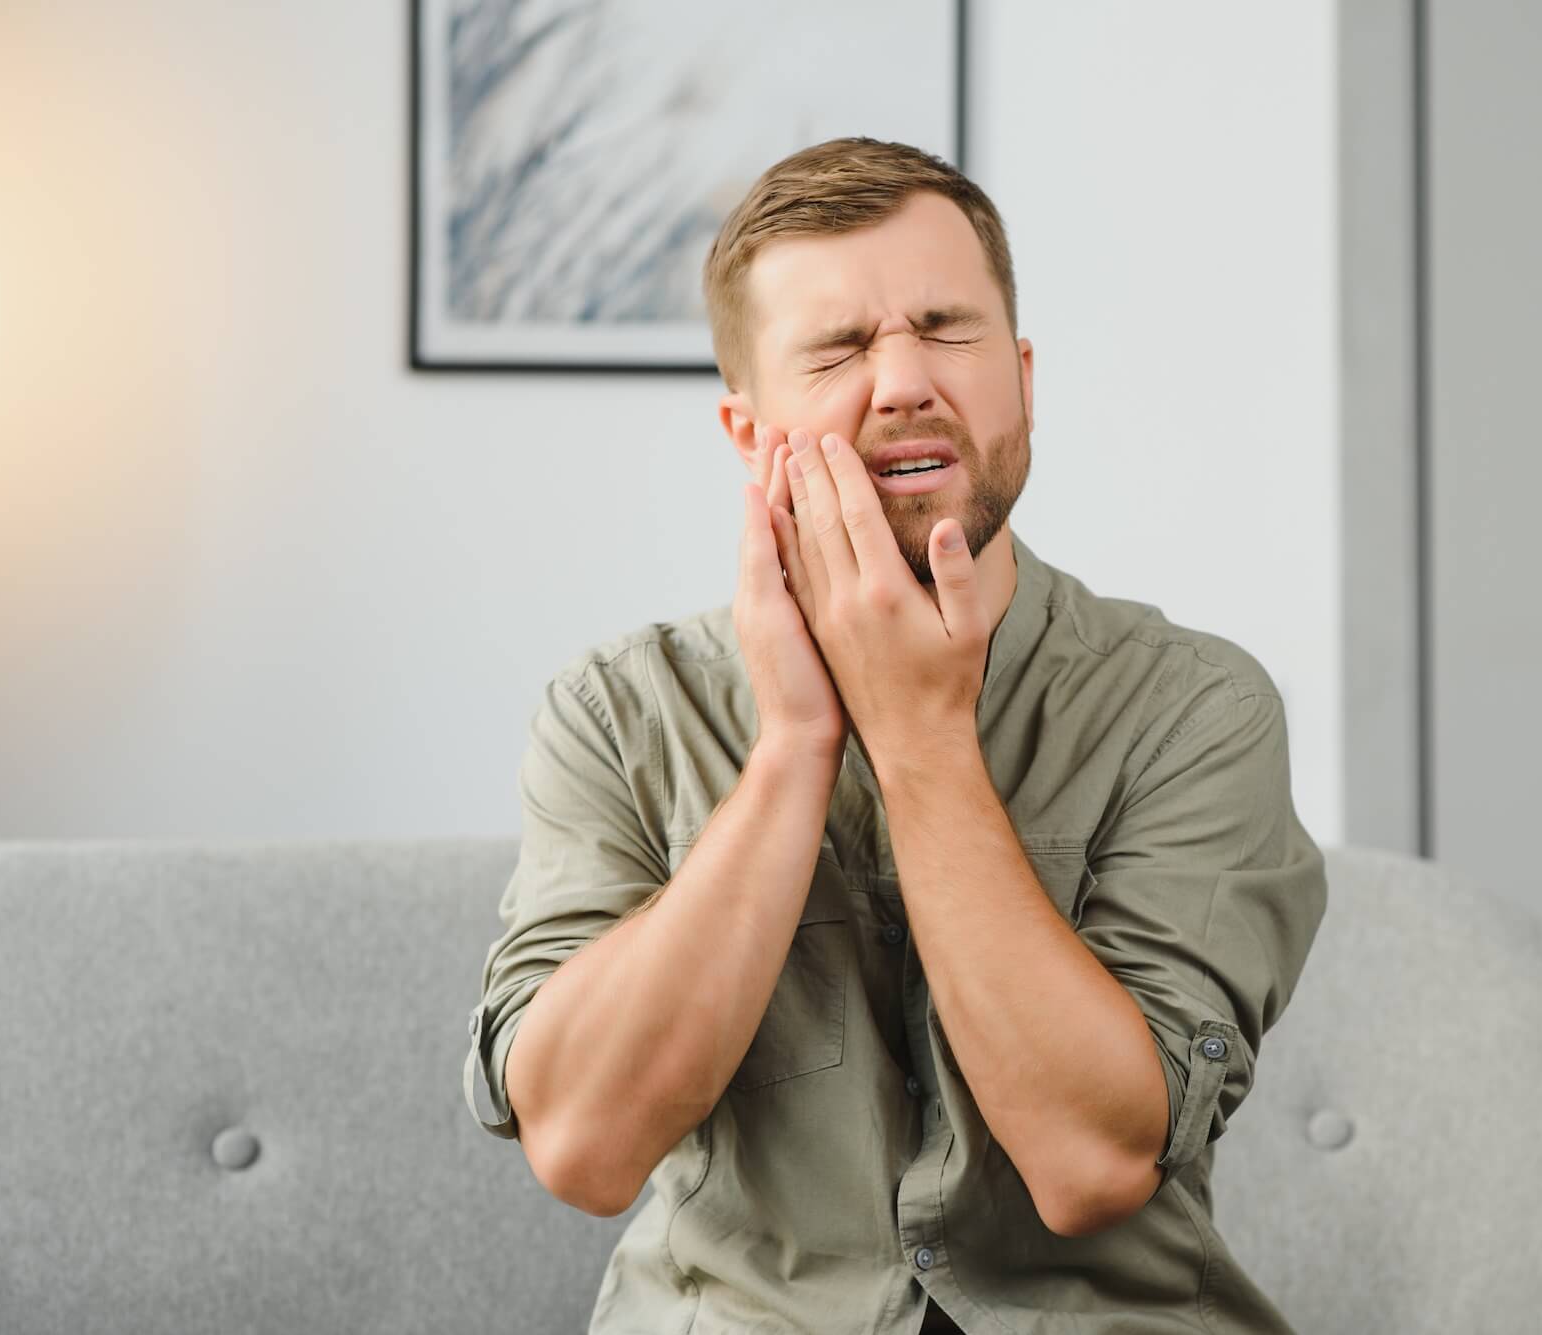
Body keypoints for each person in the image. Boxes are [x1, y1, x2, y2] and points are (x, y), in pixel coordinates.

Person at [462, 136, 1330, 1334]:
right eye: (837, 350)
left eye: (945, 329)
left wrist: (920, 740)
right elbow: (583, 1147)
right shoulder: (616, 715)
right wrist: (791, 749)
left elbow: (1088, 1164)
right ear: (747, 432)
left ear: (1021, 379)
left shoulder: (1193, 709)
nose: (904, 381)